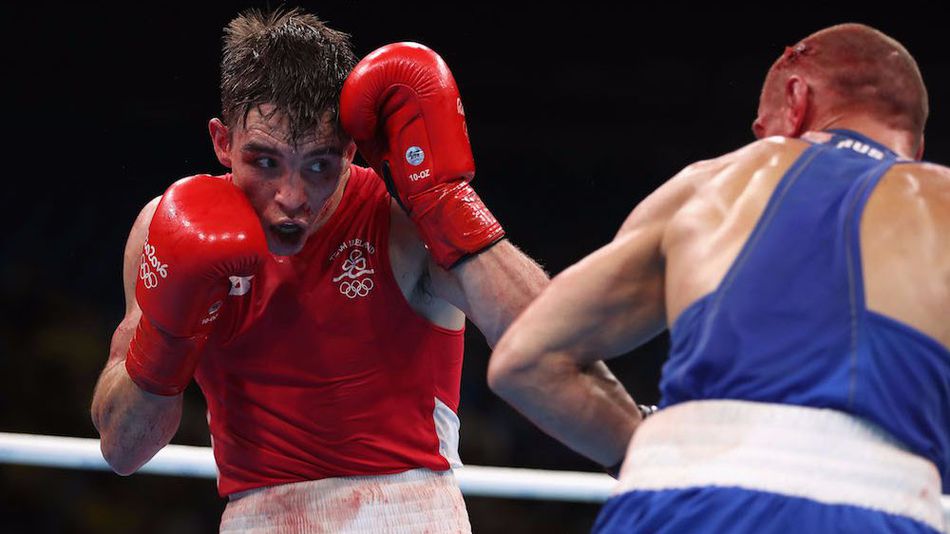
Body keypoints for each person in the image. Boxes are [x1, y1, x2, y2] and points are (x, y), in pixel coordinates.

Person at [90, 7, 548, 532]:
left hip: (409, 510)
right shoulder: (166, 230)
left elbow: (547, 334)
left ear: (351, 152)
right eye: (265, 162)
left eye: (319, 165)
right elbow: (123, 451)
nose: (292, 197)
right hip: (254, 515)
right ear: (222, 142)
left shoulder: (396, 220)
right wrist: (167, 335)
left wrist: (448, 205)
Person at [489, 23, 948, 533]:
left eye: (762, 125)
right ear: (917, 144)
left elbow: (524, 360)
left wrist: (655, 451)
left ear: (796, 98)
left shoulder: (714, 182)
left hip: (677, 501)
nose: (757, 140)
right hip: (878, 507)